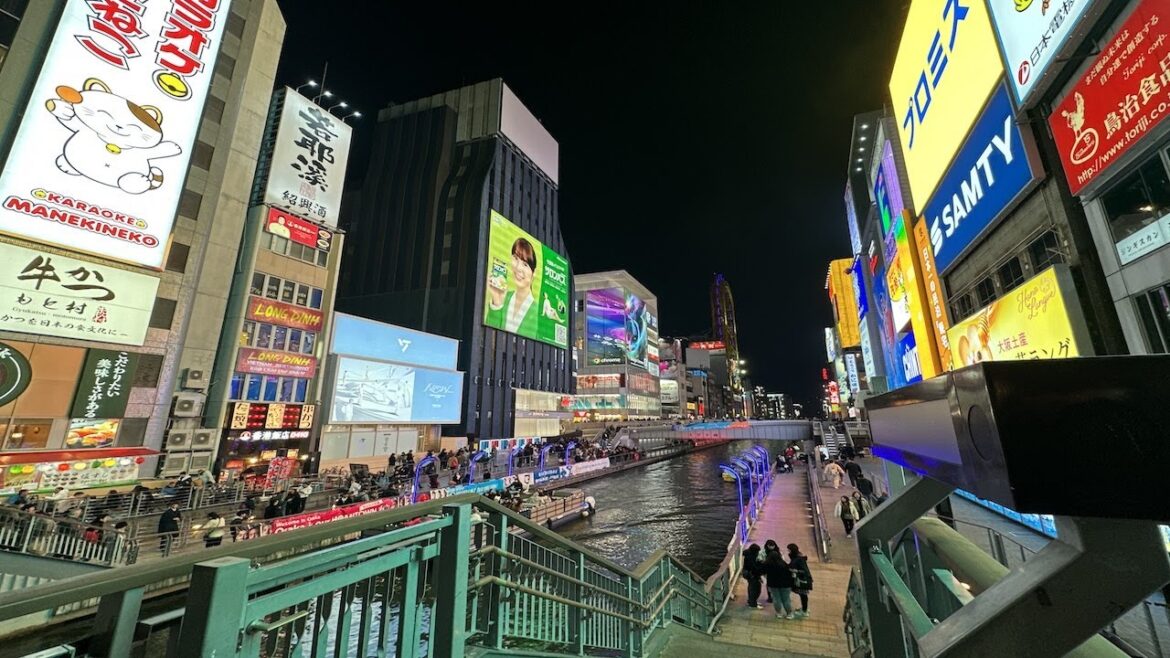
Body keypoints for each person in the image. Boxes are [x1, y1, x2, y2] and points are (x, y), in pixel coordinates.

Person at [484, 237, 541, 336]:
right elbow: (489, 338)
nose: (518, 267)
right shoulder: (505, 297)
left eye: (525, 264)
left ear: (533, 273)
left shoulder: (537, 312)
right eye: (515, 258)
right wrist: (497, 302)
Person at [763, 549, 796, 619]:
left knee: (776, 599)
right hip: (785, 585)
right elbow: (789, 573)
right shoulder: (783, 564)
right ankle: (789, 614)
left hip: (773, 585)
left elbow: (764, 574)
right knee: (786, 599)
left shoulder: (767, 565)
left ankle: (779, 613)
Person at [787, 544, 813, 618]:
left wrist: (795, 571)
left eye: (789, 550)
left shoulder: (798, 559)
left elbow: (803, 570)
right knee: (803, 596)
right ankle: (804, 608)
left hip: (802, 581)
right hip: (803, 580)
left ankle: (804, 611)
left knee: (803, 595)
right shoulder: (798, 557)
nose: (788, 551)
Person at [742, 543, 765, 608]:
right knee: (755, 589)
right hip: (752, 575)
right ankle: (753, 603)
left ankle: (751, 601)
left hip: (749, 574)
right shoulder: (751, 558)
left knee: (751, 588)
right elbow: (754, 569)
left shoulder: (748, 555)